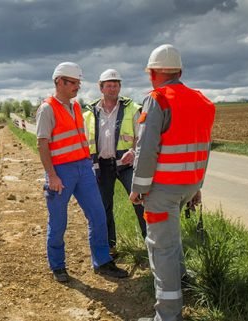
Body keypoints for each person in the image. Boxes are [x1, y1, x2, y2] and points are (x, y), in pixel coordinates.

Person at [129, 44, 215, 321]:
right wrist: (197, 186)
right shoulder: (202, 101)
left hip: (162, 189)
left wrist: (138, 189)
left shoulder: (158, 99)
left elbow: (146, 149)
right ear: (179, 71)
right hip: (189, 184)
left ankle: (167, 315)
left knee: (161, 248)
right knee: (172, 239)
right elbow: (203, 147)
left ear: (153, 73)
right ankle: (182, 283)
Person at [36, 61, 129, 283]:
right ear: (59, 81)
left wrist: (88, 164)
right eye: (73, 83)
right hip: (61, 172)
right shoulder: (47, 108)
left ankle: (102, 261)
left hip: (83, 168)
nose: (77, 87)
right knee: (58, 222)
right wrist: (52, 175)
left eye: (79, 83)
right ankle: (58, 266)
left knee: (98, 215)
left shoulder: (76, 106)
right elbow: (42, 143)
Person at [83, 69, 147, 257]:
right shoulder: (89, 112)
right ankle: (110, 247)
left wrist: (133, 151)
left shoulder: (132, 108)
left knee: (140, 202)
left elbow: (141, 135)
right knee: (104, 207)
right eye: (109, 85)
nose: (113, 89)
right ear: (100, 87)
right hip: (101, 165)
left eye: (116, 85)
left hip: (127, 165)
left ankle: (151, 244)